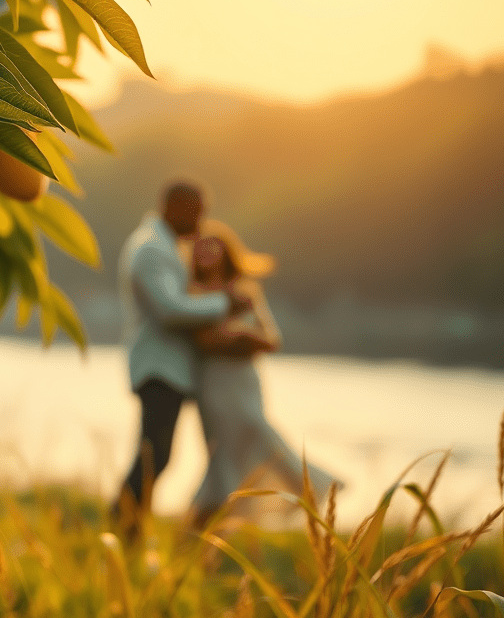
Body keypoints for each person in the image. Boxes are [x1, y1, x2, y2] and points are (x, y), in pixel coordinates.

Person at [111, 180, 257, 542]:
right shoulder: (151, 248)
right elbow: (169, 309)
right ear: (172, 208)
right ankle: (122, 526)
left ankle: (128, 529)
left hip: (166, 368)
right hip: (159, 367)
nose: (201, 221)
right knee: (154, 456)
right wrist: (225, 304)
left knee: (156, 456)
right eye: (196, 212)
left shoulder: (163, 245)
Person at [188, 220, 338, 528]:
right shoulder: (192, 293)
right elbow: (203, 342)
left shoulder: (246, 293)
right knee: (223, 448)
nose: (206, 252)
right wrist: (237, 338)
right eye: (200, 248)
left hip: (244, 380)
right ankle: (213, 514)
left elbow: (271, 338)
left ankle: (305, 489)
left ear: (226, 252)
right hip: (214, 382)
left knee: (257, 433)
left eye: (212, 246)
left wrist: (237, 338)